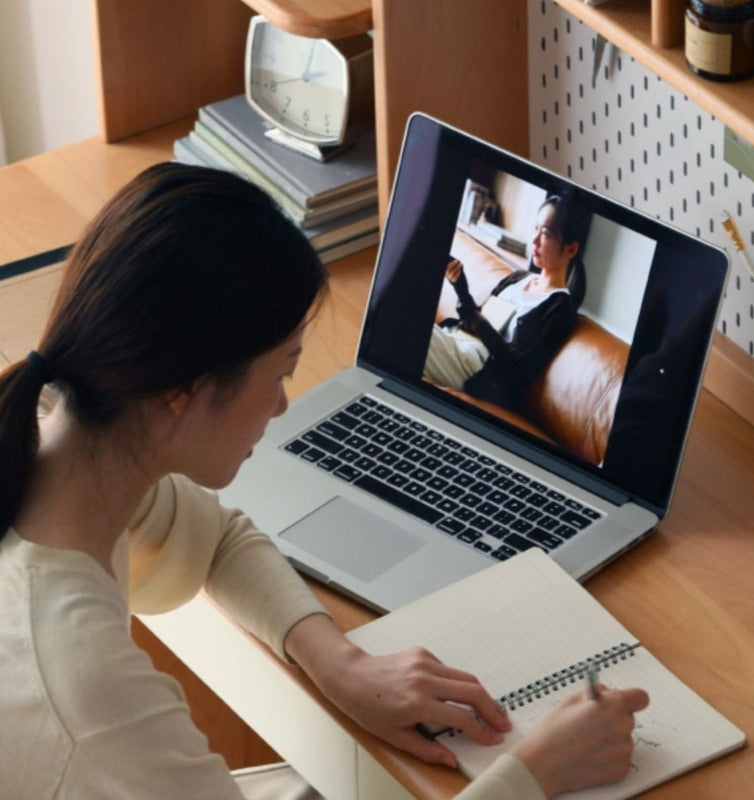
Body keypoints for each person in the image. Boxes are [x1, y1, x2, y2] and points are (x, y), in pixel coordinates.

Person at [0, 163, 647, 799]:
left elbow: (217, 536)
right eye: (281, 372)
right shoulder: (84, 696)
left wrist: (343, 666)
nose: (284, 404)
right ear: (184, 391)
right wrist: (535, 774)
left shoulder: (63, 431)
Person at [423, 193, 590, 410]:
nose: (535, 240)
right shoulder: (518, 278)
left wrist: (476, 319)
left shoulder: (560, 308)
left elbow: (521, 369)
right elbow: (473, 323)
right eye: (535, 229)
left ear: (571, 249)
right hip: (457, 343)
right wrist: (460, 287)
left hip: (476, 369)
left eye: (546, 233)